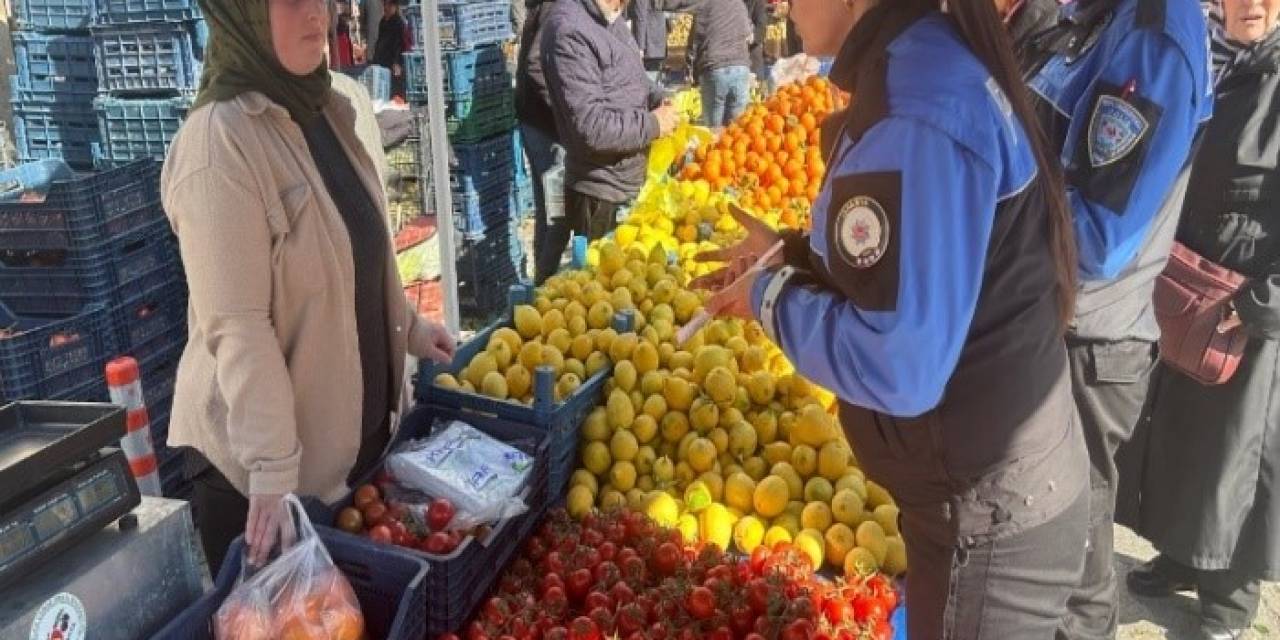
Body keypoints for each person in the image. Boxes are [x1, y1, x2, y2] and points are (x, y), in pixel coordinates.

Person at [696, 0, 1091, 635]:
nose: (778, 5)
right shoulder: (916, 68)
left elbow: (901, 365)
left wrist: (771, 296)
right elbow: (911, 262)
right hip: (983, 498)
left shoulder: (918, 107)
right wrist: (792, 253)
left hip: (989, 518)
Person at [161, 0, 455, 572]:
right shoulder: (220, 144)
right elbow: (238, 325)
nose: (315, 14)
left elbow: (361, 254)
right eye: (290, 1)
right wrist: (271, 468)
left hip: (344, 460)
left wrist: (411, 331)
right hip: (262, 485)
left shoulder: (329, 106)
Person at [1013, 0, 1214, 636]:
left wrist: (982, 216)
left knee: (1071, 556)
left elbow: (1098, 236)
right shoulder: (1091, 14)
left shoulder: (1152, 37)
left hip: (1087, 346)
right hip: (1049, 322)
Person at [1122, 1, 1280, 638]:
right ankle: (1180, 555)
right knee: (1179, 429)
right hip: (1185, 283)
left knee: (1234, 451)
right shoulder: (1204, 57)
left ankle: (1228, 597)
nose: (1252, 4)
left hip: (1246, 305)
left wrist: (1260, 303)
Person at [541, 0, 679, 261]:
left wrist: (659, 98)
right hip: (601, 195)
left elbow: (632, 78)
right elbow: (592, 128)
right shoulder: (570, 31)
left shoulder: (610, 18)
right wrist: (654, 124)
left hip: (629, 185)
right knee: (606, 287)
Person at [516, 0, 568, 283]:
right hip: (546, 124)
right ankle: (547, 284)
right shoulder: (555, 7)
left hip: (535, 119)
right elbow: (536, 63)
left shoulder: (546, 6)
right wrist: (562, 108)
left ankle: (542, 281)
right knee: (556, 213)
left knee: (548, 208)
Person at [662, 0, 754, 127]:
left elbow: (672, 4)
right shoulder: (739, 4)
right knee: (736, 134)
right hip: (740, 67)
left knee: (713, 133)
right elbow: (750, 35)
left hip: (715, 66)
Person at [372, 0, 407, 98]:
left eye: (388, 5)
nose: (386, 8)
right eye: (385, 5)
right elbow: (379, 41)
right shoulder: (383, 21)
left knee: (393, 88)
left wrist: (397, 62)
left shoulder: (398, 23)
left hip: (392, 61)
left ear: (394, 6)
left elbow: (399, 44)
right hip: (381, 60)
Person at [629, 0, 669, 83]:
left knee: (649, 83)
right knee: (656, 80)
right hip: (658, 41)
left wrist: (640, 47)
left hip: (648, 44)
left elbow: (640, 16)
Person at [745, 0, 770, 85]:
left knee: (757, 88)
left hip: (752, 52)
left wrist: (752, 37)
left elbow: (762, 28)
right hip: (734, 54)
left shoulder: (757, 2)